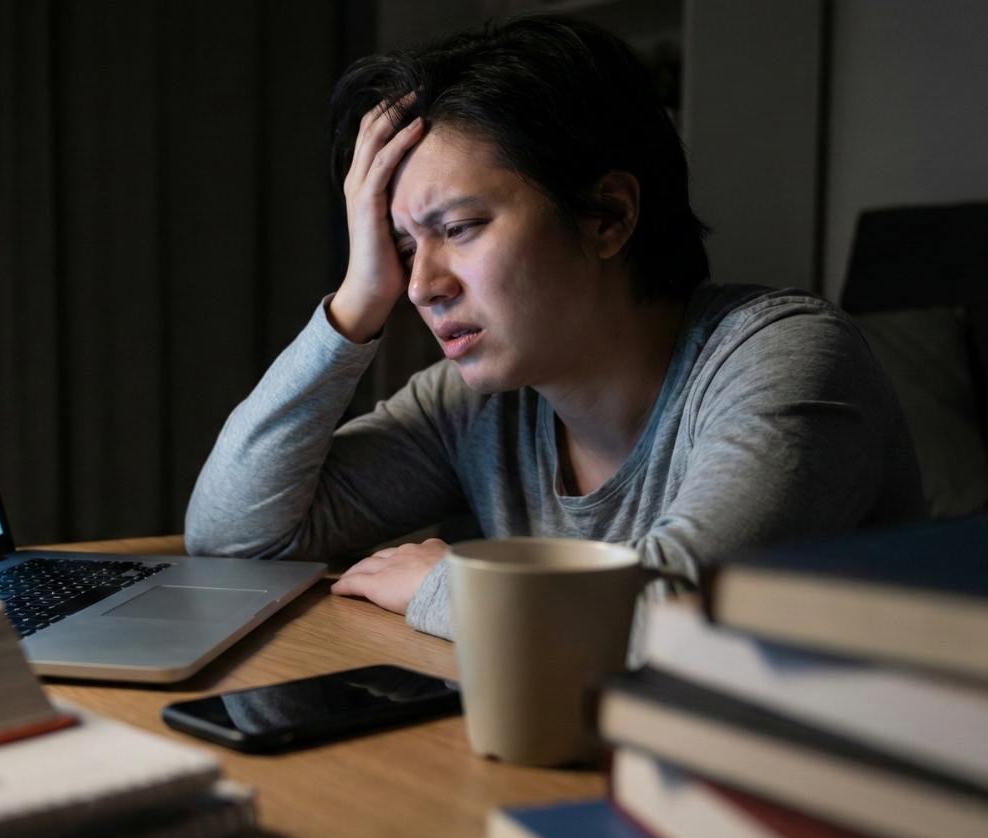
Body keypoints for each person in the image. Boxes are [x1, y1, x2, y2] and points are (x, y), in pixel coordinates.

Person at [183, 16, 923, 645]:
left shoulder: (786, 357)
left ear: (608, 216)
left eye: (462, 228)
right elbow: (236, 537)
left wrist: (448, 586)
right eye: (405, 247)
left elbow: (679, 620)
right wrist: (356, 299)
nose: (420, 286)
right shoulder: (477, 406)